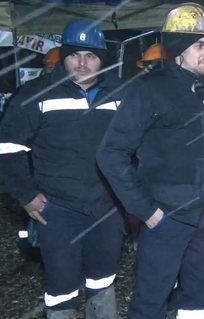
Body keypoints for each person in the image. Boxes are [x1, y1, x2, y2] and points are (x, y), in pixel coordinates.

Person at [96, 3, 204, 319]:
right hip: (168, 218)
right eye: (200, 46)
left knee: (198, 296)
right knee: (151, 302)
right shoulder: (150, 90)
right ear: (178, 49)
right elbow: (110, 153)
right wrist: (146, 211)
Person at [0, 19, 124, 319]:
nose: (82, 63)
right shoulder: (35, 94)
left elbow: (137, 143)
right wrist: (26, 194)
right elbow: (8, 148)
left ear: (102, 60)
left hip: (107, 208)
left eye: (91, 56)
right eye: (74, 55)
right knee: (61, 285)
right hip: (57, 210)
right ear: (64, 55)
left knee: (104, 278)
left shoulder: (121, 94)